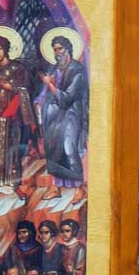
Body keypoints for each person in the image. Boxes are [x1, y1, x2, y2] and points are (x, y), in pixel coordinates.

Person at [0, 33, 37, 193]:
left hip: (13, 114)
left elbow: (27, 89)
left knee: (13, 147)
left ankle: (14, 185)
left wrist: (11, 88)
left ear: (5, 49)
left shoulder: (18, 68)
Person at [37, 34, 88, 185]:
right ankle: (57, 187)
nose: (57, 52)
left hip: (71, 114)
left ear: (68, 49)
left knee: (69, 148)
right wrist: (39, 102)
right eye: (55, 50)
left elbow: (67, 98)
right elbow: (43, 93)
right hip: (54, 116)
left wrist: (50, 85)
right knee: (53, 150)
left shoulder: (77, 70)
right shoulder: (53, 68)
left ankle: (79, 188)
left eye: (60, 49)